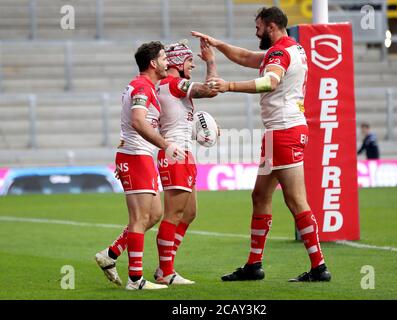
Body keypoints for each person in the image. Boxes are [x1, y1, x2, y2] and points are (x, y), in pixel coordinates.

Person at [192, 6, 331, 282]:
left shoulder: (279, 53)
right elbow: (246, 56)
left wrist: (228, 86)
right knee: (260, 196)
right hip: (280, 131)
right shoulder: (291, 49)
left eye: (258, 27)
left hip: (284, 130)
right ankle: (254, 265)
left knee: (295, 200)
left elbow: (270, 81)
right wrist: (218, 45)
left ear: (270, 26)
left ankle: (319, 267)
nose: (256, 32)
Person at [94, 41, 185, 290]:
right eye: (165, 58)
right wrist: (166, 145)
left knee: (153, 214)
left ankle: (111, 255)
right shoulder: (142, 87)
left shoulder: (144, 86)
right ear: (154, 63)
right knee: (139, 218)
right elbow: (137, 121)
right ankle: (135, 279)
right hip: (136, 156)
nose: (168, 63)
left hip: (138, 156)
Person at [153, 39, 219, 285]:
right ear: (179, 63)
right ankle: (165, 272)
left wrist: (200, 131)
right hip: (175, 154)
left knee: (189, 213)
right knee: (173, 214)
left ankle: (165, 265)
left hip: (184, 152)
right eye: (190, 62)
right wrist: (210, 60)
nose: (192, 66)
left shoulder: (169, 86)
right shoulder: (174, 83)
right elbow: (211, 89)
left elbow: (176, 120)